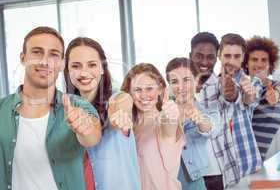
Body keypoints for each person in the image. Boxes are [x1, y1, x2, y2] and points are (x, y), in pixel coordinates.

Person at [0, 26, 101, 190]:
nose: (45, 61)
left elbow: (92, 136)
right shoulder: (1, 110)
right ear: (23, 58)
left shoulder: (78, 106)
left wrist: (85, 128)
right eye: (37, 52)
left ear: (62, 64)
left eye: (54, 54)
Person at [64, 37, 141, 190]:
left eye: (92, 65)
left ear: (102, 68)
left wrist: (119, 116)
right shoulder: (65, 109)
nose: (84, 72)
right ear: (68, 71)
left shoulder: (118, 98)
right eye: (76, 66)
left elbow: (121, 105)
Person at [121, 63, 185, 190]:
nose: (144, 95)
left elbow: (169, 127)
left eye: (149, 88)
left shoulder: (162, 120)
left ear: (160, 89)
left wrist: (170, 115)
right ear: (129, 92)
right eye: (137, 89)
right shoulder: (128, 126)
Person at [190, 32, 239, 189]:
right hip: (190, 173)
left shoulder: (222, 85)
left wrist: (232, 95)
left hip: (217, 173)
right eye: (199, 55)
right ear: (190, 55)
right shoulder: (179, 88)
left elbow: (232, 99)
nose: (204, 61)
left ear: (216, 58)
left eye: (210, 57)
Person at [166, 57, 221, 190]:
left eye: (186, 80)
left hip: (193, 183)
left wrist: (200, 119)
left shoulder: (208, 111)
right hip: (165, 181)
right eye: (174, 81)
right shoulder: (162, 112)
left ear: (196, 81)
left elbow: (211, 128)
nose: (180, 87)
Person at [218, 33, 263, 178]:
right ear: (219, 55)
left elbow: (250, 100)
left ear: (243, 57)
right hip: (224, 170)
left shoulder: (253, 83)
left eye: (237, 56)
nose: (232, 61)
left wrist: (248, 94)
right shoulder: (211, 86)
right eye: (227, 56)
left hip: (250, 163)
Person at [242, 36, 280, 160]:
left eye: (264, 60)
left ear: (270, 64)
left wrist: (276, 95)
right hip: (237, 156)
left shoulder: (278, 86)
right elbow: (248, 100)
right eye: (254, 59)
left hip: (254, 158)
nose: (259, 64)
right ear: (247, 63)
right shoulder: (241, 89)